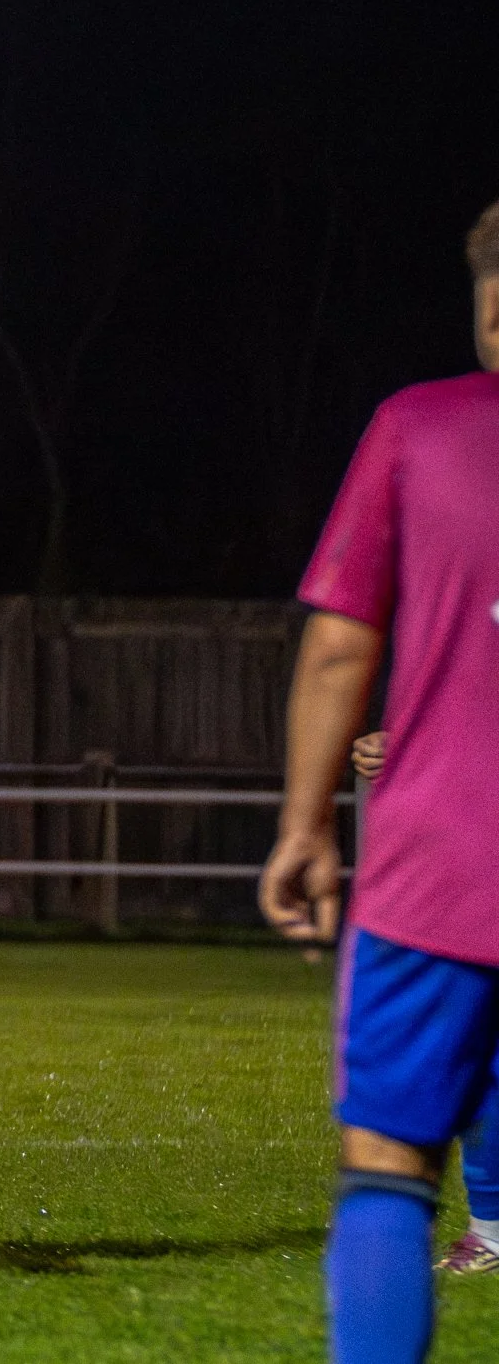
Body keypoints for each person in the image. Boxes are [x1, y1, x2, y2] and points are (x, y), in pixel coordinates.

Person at [259, 199, 499, 1363]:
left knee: (386, 1172)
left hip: (434, 871)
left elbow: (340, 645)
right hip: (437, 866)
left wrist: (304, 828)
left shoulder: (420, 428)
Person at [349, 729, 499, 1278]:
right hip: (472, 863)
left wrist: (428, 748)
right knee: (483, 1057)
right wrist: (418, 745)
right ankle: (491, 1232)